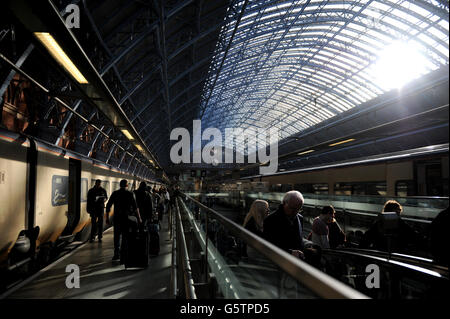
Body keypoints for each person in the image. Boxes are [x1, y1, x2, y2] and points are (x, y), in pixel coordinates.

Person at [105, 179, 142, 261]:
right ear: (127, 185)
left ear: (120, 185)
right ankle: (123, 254)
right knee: (125, 236)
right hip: (126, 218)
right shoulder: (130, 193)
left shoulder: (115, 193)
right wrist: (139, 218)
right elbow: (136, 207)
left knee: (116, 237)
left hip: (117, 218)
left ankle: (116, 254)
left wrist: (107, 217)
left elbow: (108, 205)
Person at [263, 191, 306, 259]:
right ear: (284, 203)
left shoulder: (300, 218)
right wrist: (290, 252)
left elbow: (299, 239)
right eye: (292, 208)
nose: (295, 212)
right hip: (280, 261)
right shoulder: (270, 220)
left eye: (299, 209)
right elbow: (269, 245)